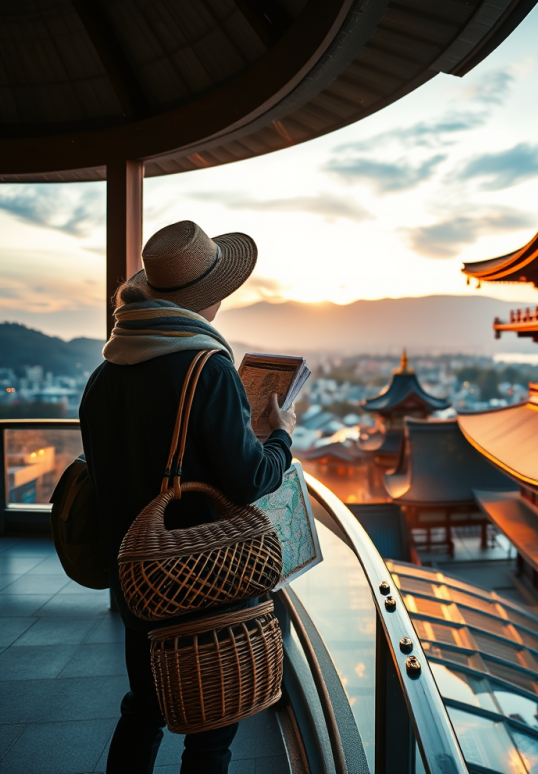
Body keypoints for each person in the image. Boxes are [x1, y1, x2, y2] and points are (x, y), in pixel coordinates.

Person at [79, 220, 296, 774]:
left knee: (143, 710)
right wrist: (280, 437)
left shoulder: (105, 373)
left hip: (138, 575)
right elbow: (249, 479)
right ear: (207, 299)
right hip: (201, 577)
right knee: (209, 737)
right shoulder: (206, 367)